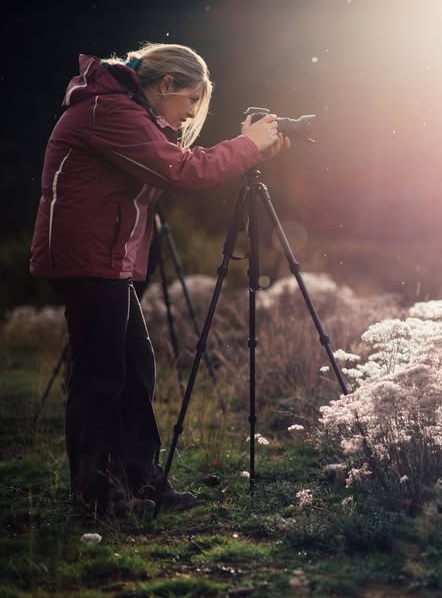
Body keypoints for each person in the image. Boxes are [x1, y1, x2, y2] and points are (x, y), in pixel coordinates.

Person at [29, 43, 289, 519]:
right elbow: (182, 170)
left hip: (105, 258)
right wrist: (247, 145)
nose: (192, 112)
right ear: (165, 85)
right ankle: (98, 498)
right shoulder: (109, 112)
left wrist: (249, 149)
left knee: (133, 368)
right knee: (101, 377)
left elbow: (175, 160)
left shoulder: (127, 111)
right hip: (87, 260)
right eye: (190, 99)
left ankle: (137, 479)